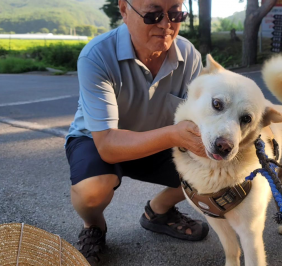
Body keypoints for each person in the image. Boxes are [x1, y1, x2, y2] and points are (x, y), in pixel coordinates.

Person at [65, 0, 209, 264]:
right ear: (124, 10)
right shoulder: (96, 55)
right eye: (153, 14)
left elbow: (204, 117)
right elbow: (107, 144)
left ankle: (158, 212)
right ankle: (93, 226)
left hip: (161, 137)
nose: (166, 25)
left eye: (176, 13)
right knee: (92, 191)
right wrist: (173, 135)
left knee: (215, 173)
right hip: (98, 140)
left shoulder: (189, 56)